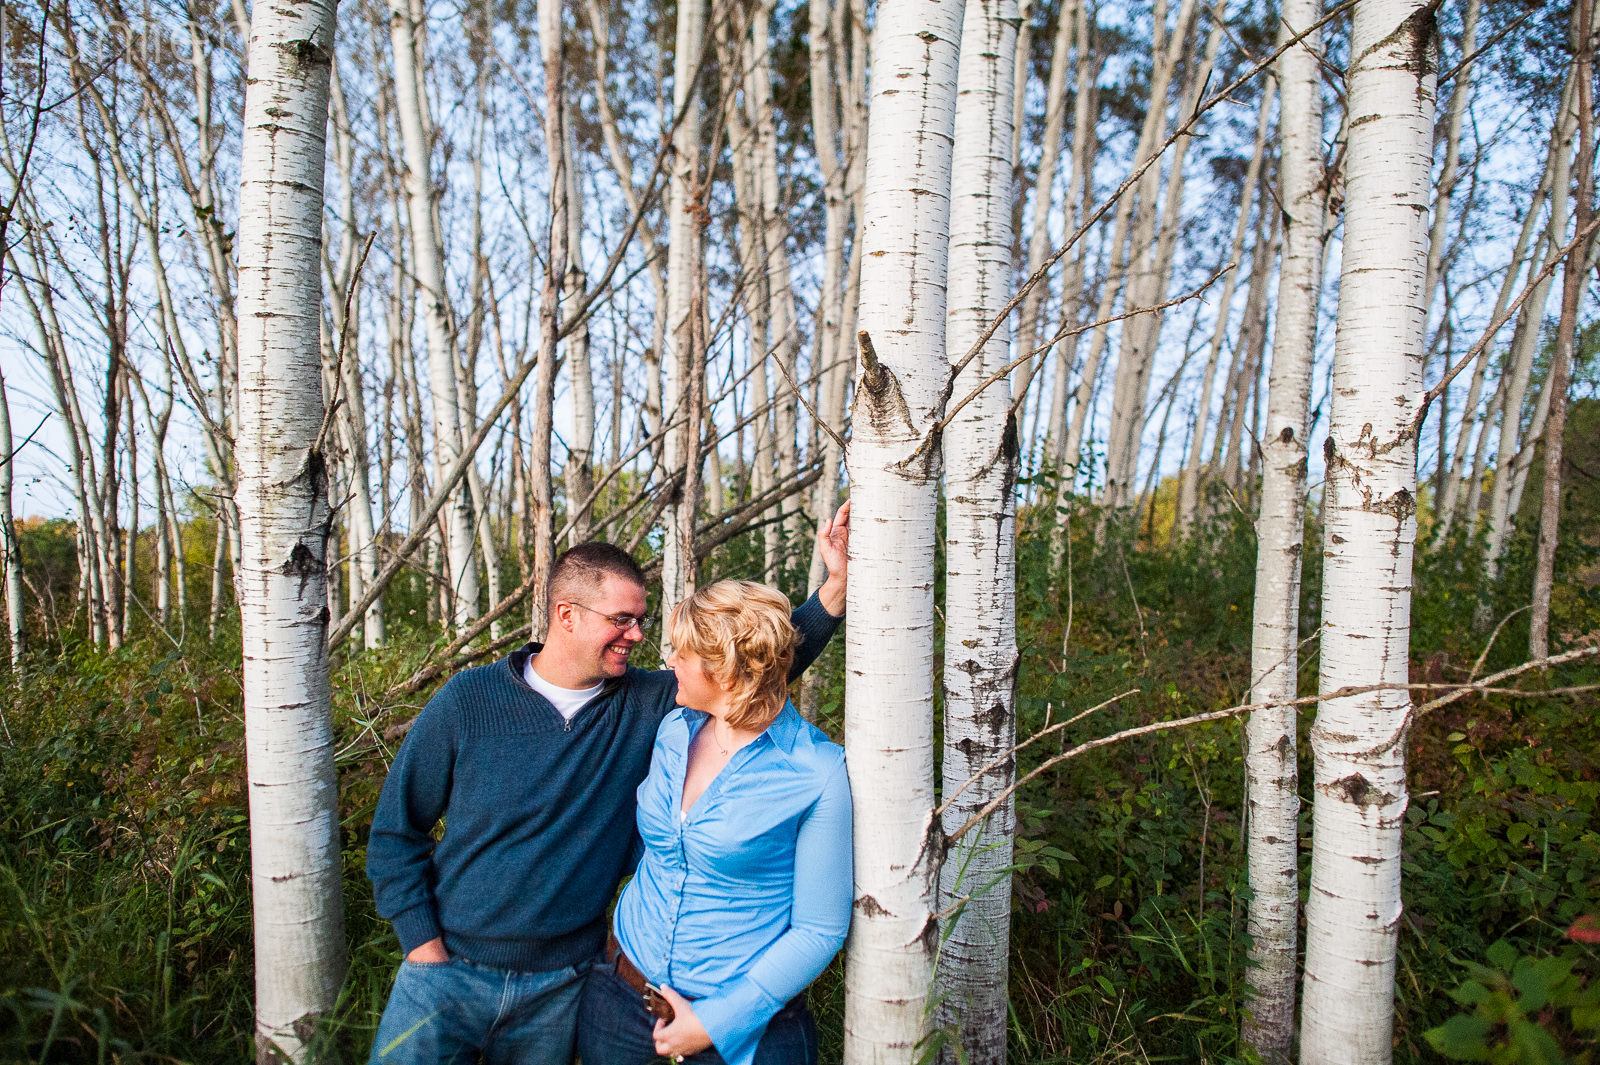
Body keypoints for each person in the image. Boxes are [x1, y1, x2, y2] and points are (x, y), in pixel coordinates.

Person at [365, 504, 849, 1065]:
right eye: (622, 619)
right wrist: (422, 946)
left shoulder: (648, 705)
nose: (638, 636)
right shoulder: (469, 701)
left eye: (641, 619)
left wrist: (834, 590)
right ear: (566, 614)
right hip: (447, 971)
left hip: (564, 984)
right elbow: (397, 830)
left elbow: (748, 670)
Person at [577, 580, 852, 1065]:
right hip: (621, 996)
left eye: (682, 653)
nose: (670, 664)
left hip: (745, 1032)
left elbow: (819, 929)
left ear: (725, 671)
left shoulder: (817, 771)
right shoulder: (674, 731)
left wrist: (715, 1022)